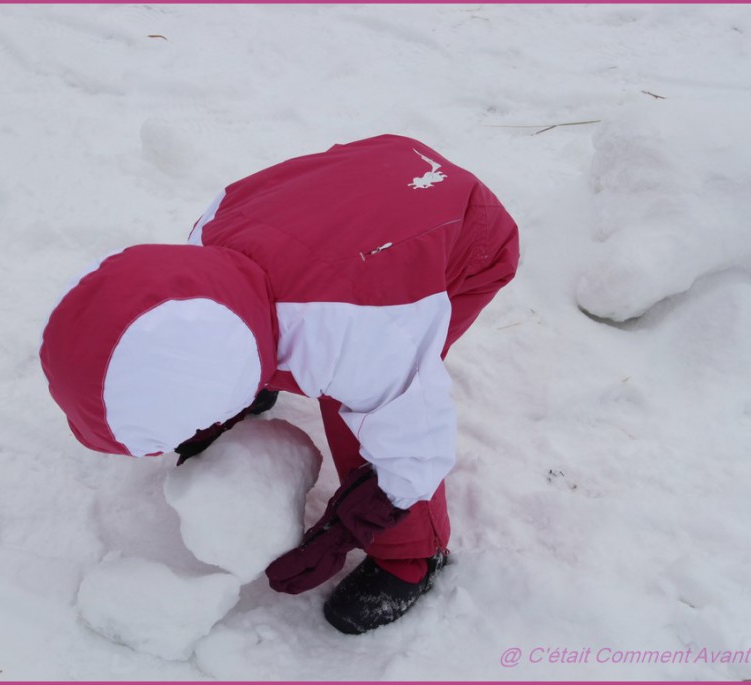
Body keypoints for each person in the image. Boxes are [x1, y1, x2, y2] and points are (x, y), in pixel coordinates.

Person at [40, 134, 519, 634]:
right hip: (379, 180)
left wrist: (356, 521)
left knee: (361, 415)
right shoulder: (201, 255)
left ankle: (413, 558)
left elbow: (413, 432)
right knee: (304, 350)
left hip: (468, 236)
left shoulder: (355, 331)